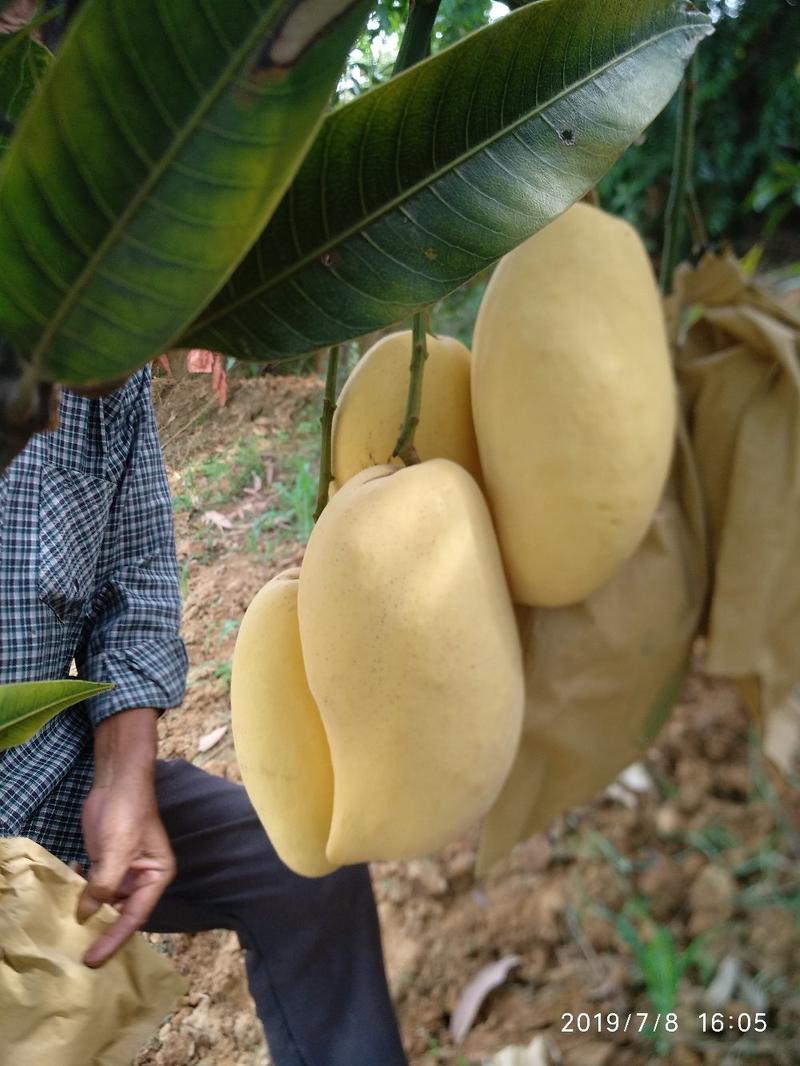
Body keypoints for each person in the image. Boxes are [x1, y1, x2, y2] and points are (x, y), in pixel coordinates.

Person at [0, 367, 409, 1066]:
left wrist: (122, 780)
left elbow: (136, 578)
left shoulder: (102, 363)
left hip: (44, 784)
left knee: (301, 869)